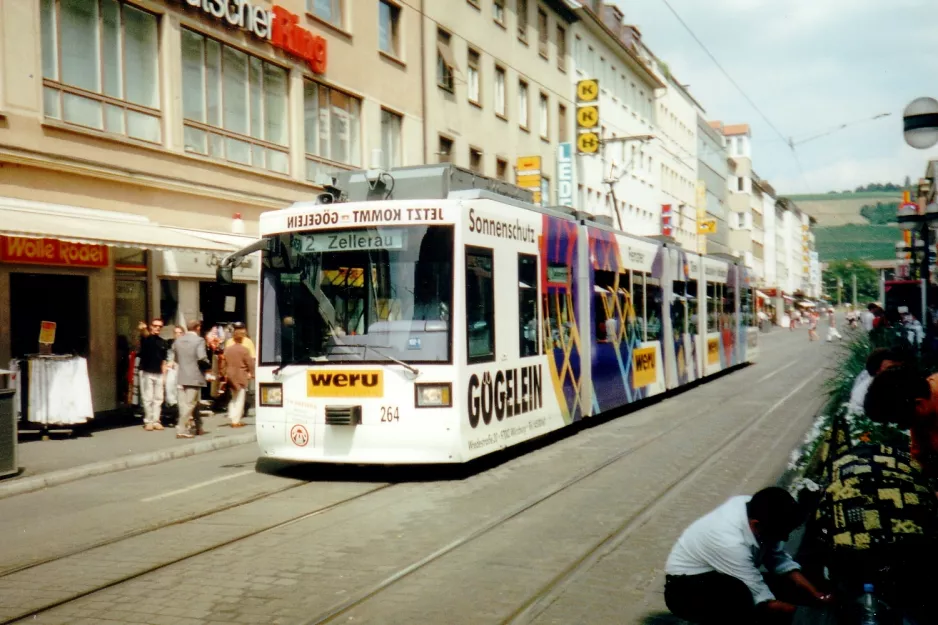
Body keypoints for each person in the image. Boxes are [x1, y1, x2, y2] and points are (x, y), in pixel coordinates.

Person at [664, 487, 831, 624]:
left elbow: (778, 559)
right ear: (755, 525)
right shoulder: (730, 542)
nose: (786, 539)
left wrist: (815, 593)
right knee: (745, 602)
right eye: (781, 533)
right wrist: (812, 617)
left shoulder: (754, 508)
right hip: (686, 589)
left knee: (787, 587)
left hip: (722, 572)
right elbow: (765, 600)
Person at [864, 365, 938, 480]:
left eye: (901, 422)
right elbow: (920, 458)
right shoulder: (922, 410)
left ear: (920, 404)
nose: (901, 426)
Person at [173, 320, 209, 439]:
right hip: (194, 375)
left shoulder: (178, 341)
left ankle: (198, 426)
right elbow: (201, 357)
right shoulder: (199, 340)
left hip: (182, 375)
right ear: (198, 328)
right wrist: (208, 368)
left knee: (189, 404)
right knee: (190, 404)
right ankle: (181, 429)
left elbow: (176, 359)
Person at [137, 319, 168, 431]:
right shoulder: (146, 339)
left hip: (159, 372)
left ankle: (156, 420)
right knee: (148, 397)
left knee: (158, 398)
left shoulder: (163, 342)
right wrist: (143, 328)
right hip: (146, 371)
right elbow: (144, 334)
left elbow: (164, 360)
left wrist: (164, 375)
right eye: (155, 326)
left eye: (160, 326)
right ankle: (148, 421)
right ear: (151, 327)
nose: (157, 328)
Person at [222, 327, 254, 428]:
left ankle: (232, 415)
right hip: (241, 375)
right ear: (242, 339)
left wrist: (224, 374)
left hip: (230, 375)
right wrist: (252, 374)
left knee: (233, 396)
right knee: (240, 398)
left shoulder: (227, 350)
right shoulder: (244, 350)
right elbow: (250, 363)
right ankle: (236, 421)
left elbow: (223, 363)